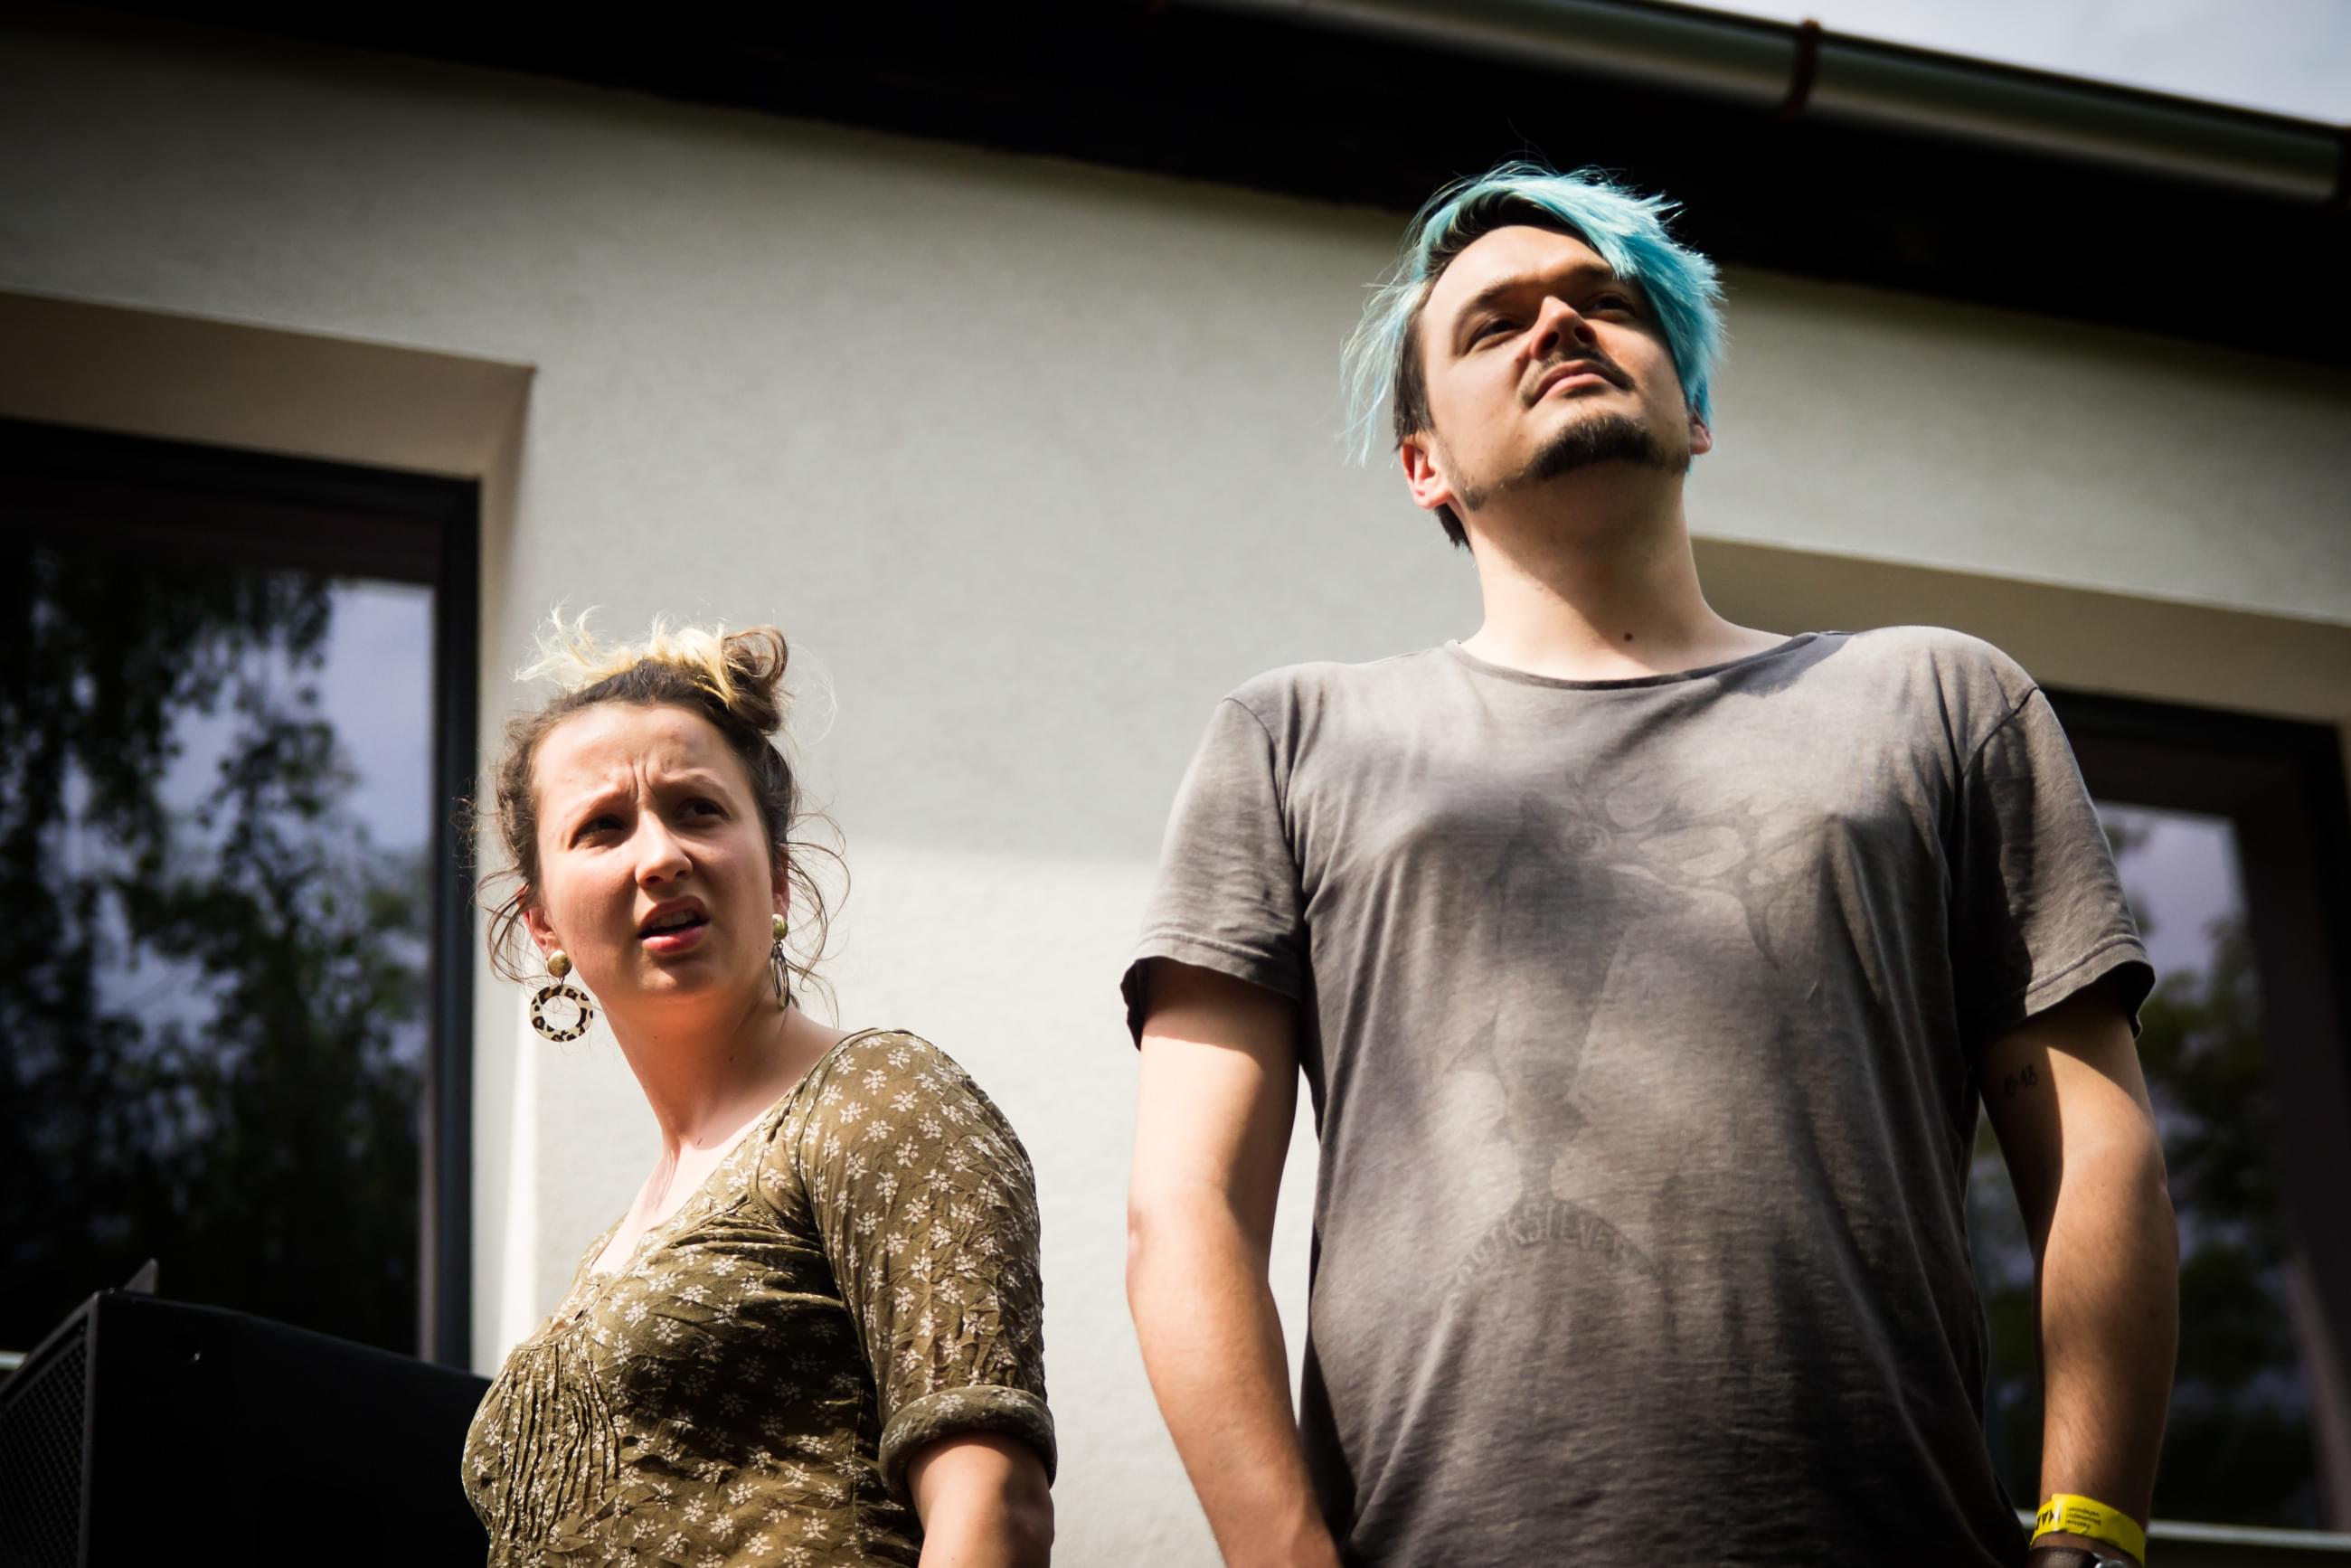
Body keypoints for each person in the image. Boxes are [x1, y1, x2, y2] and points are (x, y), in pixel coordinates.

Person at [1122, 162, 2176, 1568]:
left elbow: (2100, 1150)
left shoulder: (1940, 702)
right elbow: (1185, 1204)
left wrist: (2091, 1533)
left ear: (1696, 409)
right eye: (1495, 322)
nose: (1559, 323)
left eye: (1607, 301)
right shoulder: (1295, 738)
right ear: (1423, 462)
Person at [463, 618, 1054, 1566]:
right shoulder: (611, 1250)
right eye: (603, 826)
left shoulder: (875, 1102)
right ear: (543, 924)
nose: (660, 856)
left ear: (776, 876)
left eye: (697, 810)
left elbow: (994, 1506)